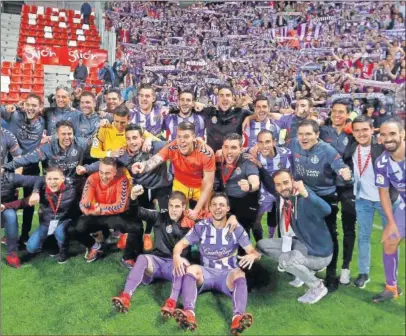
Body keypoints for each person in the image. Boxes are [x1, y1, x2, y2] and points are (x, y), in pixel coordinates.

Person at [171, 192, 260, 335]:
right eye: (214, 205)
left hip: (227, 274)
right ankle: (189, 313)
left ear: (227, 208)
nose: (218, 208)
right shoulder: (201, 227)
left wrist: (253, 256)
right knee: (191, 269)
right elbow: (180, 245)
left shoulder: (236, 228)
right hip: (206, 272)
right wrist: (176, 256)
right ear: (210, 208)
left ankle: (238, 318)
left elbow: (253, 252)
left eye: (222, 205)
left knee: (239, 273)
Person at [79, 124, 172, 251]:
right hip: (141, 188)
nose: (132, 142)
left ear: (142, 138)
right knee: (138, 211)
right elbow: (106, 162)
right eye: (128, 138)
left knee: (165, 216)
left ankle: (160, 240)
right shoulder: (123, 153)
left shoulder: (154, 147)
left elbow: (174, 144)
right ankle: (140, 235)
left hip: (161, 187)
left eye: (135, 138)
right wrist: (86, 168)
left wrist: (152, 139)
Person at [288, 119, 352, 292]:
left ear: (317, 135)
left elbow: (340, 166)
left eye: (308, 134)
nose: (304, 137)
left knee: (331, 235)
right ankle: (305, 269)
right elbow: (277, 148)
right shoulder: (293, 143)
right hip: (303, 196)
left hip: (325, 198)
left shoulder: (327, 150)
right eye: (301, 134)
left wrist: (344, 172)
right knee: (304, 234)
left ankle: (331, 276)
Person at [257, 170, 333, 304]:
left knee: (285, 261)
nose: (283, 187)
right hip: (303, 245)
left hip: (319, 254)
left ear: (293, 180)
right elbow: (269, 183)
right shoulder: (286, 198)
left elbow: (327, 210)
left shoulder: (304, 197)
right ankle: (302, 271)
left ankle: (317, 286)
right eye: (278, 185)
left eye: (286, 182)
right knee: (262, 245)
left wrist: (306, 194)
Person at [111, 188, 190, 314]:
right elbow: (136, 212)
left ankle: (171, 303)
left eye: (177, 206)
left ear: (183, 207)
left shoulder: (190, 222)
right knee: (142, 258)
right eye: (170, 206)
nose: (173, 210)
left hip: (174, 267)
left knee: (182, 263)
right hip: (157, 263)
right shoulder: (159, 216)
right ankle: (125, 296)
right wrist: (132, 198)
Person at [132, 121, 215, 220]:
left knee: (205, 217)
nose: (182, 141)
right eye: (179, 136)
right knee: (174, 217)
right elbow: (157, 159)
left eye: (186, 137)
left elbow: (209, 183)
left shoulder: (206, 152)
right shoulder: (172, 147)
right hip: (180, 185)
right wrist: (143, 165)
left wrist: (196, 210)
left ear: (193, 137)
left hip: (200, 188)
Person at [342, 115, 388, 288]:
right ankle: (363, 272)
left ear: (372, 130)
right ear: (353, 132)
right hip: (362, 200)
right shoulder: (352, 147)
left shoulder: (382, 148)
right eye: (357, 130)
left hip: (385, 201)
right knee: (363, 237)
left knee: (390, 240)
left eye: (365, 129)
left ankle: (391, 278)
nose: (361, 133)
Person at [1, 167, 77, 265]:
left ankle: (63, 250)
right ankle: (51, 244)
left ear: (63, 179)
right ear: (45, 179)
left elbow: (77, 209)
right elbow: (24, 202)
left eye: (56, 179)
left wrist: (72, 223)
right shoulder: (42, 189)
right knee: (30, 247)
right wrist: (5, 206)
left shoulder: (72, 190)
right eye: (49, 179)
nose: (52, 182)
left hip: (63, 221)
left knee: (60, 232)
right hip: (47, 223)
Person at [72, 157, 139, 267]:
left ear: (115, 172)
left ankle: (128, 257)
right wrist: (91, 212)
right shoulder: (92, 178)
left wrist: (98, 208)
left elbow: (120, 207)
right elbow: (84, 204)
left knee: (136, 227)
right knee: (77, 229)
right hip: (95, 215)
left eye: (107, 173)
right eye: (101, 172)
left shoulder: (122, 180)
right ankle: (95, 246)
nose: (103, 176)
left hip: (115, 215)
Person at [319, 101, 357, 285]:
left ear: (348, 114)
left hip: (348, 187)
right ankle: (330, 269)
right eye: (334, 111)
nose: (337, 115)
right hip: (329, 187)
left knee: (349, 227)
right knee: (330, 229)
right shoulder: (323, 131)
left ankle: (346, 268)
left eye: (341, 112)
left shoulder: (353, 134)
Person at [1, 95, 45, 244]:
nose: (31, 108)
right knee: (9, 201)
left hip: (31, 168)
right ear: (24, 104)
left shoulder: (43, 121)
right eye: (28, 104)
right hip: (11, 167)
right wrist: (10, 105)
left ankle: (25, 235)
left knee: (29, 204)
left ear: (40, 107)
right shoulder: (13, 115)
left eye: (34, 105)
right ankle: (9, 235)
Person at [3, 121, 90, 189]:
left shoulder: (82, 144)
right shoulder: (48, 148)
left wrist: (87, 168)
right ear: (57, 134)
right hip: (53, 186)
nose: (67, 137)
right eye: (63, 134)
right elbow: (26, 159)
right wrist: (5, 167)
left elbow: (99, 155)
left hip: (74, 186)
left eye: (69, 134)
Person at [373, 118, 405, 302]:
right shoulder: (381, 162)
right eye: (383, 135)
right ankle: (391, 288)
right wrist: (391, 223)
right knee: (390, 240)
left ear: (402, 134)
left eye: (392, 133)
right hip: (403, 205)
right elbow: (383, 193)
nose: (388, 138)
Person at [216, 133, 261, 241]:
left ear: (241, 149)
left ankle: (246, 252)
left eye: (233, 148)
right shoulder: (218, 160)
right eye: (226, 147)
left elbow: (255, 181)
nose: (229, 151)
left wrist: (249, 186)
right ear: (222, 147)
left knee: (241, 233)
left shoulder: (247, 162)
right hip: (227, 201)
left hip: (244, 202)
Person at [249, 130, 292, 239]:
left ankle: (272, 238)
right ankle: (260, 243)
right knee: (255, 219)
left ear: (274, 142)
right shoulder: (253, 154)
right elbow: (237, 150)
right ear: (257, 144)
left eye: (267, 142)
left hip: (279, 191)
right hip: (262, 191)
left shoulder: (286, 154)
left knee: (278, 219)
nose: (264, 146)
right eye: (261, 142)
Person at [1, 172, 42, 267]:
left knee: (11, 215)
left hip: (5, 207)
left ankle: (11, 252)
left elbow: (39, 179)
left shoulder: (9, 177)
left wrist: (35, 192)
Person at [193, 86, 253, 152]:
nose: (225, 98)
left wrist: (250, 111)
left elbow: (260, 114)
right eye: (221, 95)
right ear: (218, 97)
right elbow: (187, 107)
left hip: (234, 159)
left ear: (232, 97)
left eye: (228, 95)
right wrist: (195, 103)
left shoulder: (240, 112)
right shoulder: (209, 111)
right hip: (213, 158)